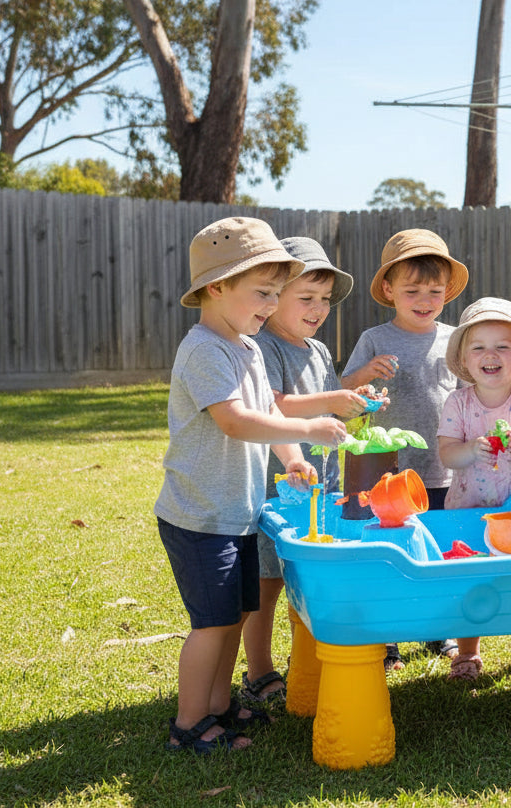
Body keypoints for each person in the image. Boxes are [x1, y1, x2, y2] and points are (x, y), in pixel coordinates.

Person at [155, 217, 348, 754]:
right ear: (216, 287)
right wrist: (307, 429)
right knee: (212, 625)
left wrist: (290, 457)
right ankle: (189, 724)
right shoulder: (204, 349)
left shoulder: (246, 346)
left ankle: (218, 706)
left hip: (236, 513)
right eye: (262, 293)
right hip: (200, 517)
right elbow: (237, 421)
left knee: (234, 617)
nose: (270, 304)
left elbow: (264, 409)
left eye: (274, 294)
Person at [241, 237, 373, 707]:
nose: (318, 309)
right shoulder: (263, 348)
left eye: (324, 300)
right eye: (306, 298)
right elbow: (274, 405)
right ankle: (259, 671)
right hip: (276, 488)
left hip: (322, 487)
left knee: (308, 577)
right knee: (266, 583)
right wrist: (332, 400)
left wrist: (355, 405)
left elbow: (327, 413)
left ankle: (310, 661)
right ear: (274, 299)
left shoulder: (317, 350)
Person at [341, 227, 469, 668]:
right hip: (386, 470)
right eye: (412, 289)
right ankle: (389, 634)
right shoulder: (376, 339)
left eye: (434, 290)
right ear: (389, 290)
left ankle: (439, 630)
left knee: (437, 548)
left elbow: (469, 394)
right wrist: (363, 375)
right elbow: (340, 392)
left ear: (447, 291)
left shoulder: (454, 339)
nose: (424, 299)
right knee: (388, 551)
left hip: (441, 468)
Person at [437, 297, 511, 682]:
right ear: (466, 359)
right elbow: (446, 455)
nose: (491, 355)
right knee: (471, 577)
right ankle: (467, 653)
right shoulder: (458, 402)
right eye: (479, 347)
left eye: (502, 346)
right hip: (469, 507)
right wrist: (470, 449)